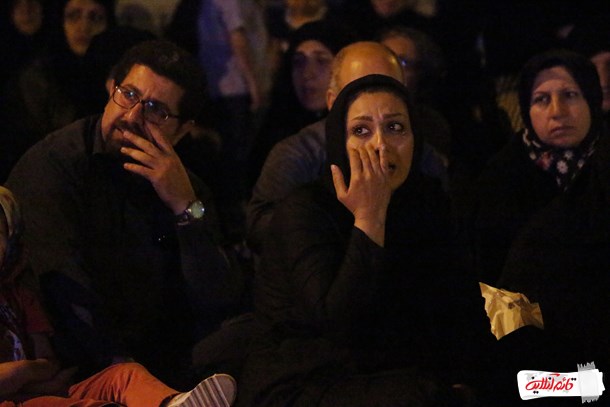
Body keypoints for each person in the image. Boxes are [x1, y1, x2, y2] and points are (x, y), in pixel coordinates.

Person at [236, 74, 490, 407]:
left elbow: (462, 310)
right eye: (361, 131)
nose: (380, 144)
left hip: (397, 372)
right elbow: (337, 323)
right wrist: (370, 217)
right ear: (338, 143)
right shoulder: (305, 209)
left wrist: (470, 381)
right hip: (306, 379)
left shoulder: (428, 202)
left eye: (395, 128)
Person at [5, 40, 244, 385]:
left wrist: (185, 207)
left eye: (156, 110)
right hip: (82, 354)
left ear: (182, 130)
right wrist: (128, 370)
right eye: (129, 95)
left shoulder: (182, 184)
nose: (132, 117)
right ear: (110, 88)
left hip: (164, 349)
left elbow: (218, 297)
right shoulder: (54, 166)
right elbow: (63, 293)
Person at [0, 186, 237, 407]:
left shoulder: (20, 296)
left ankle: (170, 404)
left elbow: (48, 364)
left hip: (39, 392)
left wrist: (23, 374)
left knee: (124, 375)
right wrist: (24, 374)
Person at [246, 41, 448, 255]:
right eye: (358, 91)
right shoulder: (299, 155)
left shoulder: (421, 156)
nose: (375, 99)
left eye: (387, 88)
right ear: (333, 102)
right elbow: (259, 230)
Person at [458, 49, 604, 285]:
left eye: (570, 95)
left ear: (592, 99)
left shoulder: (603, 163)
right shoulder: (500, 180)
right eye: (541, 99)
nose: (558, 112)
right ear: (526, 110)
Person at [166, 0, 268, 244]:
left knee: (227, 157)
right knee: (238, 158)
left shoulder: (204, 5)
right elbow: (237, 37)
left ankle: (229, 222)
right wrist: (253, 82)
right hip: (234, 87)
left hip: (214, 88)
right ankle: (239, 224)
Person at [248, 19, 352, 187]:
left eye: (321, 61)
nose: (307, 74)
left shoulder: (361, 134)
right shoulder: (272, 134)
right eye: (298, 62)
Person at [378, 24, 451, 163]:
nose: (388, 66)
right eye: (384, 57)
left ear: (419, 74)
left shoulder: (431, 126)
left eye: (401, 62)